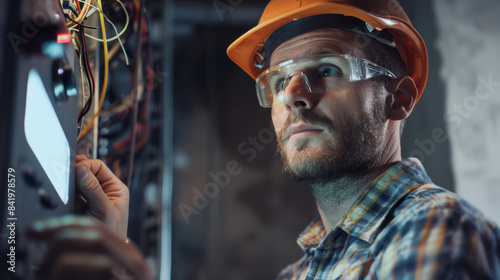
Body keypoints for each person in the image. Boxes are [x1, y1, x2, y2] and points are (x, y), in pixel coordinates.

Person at [29, 0, 500, 279]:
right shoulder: (304, 272)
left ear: (397, 99)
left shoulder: (434, 227)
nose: (294, 96)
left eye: (327, 70)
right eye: (279, 81)